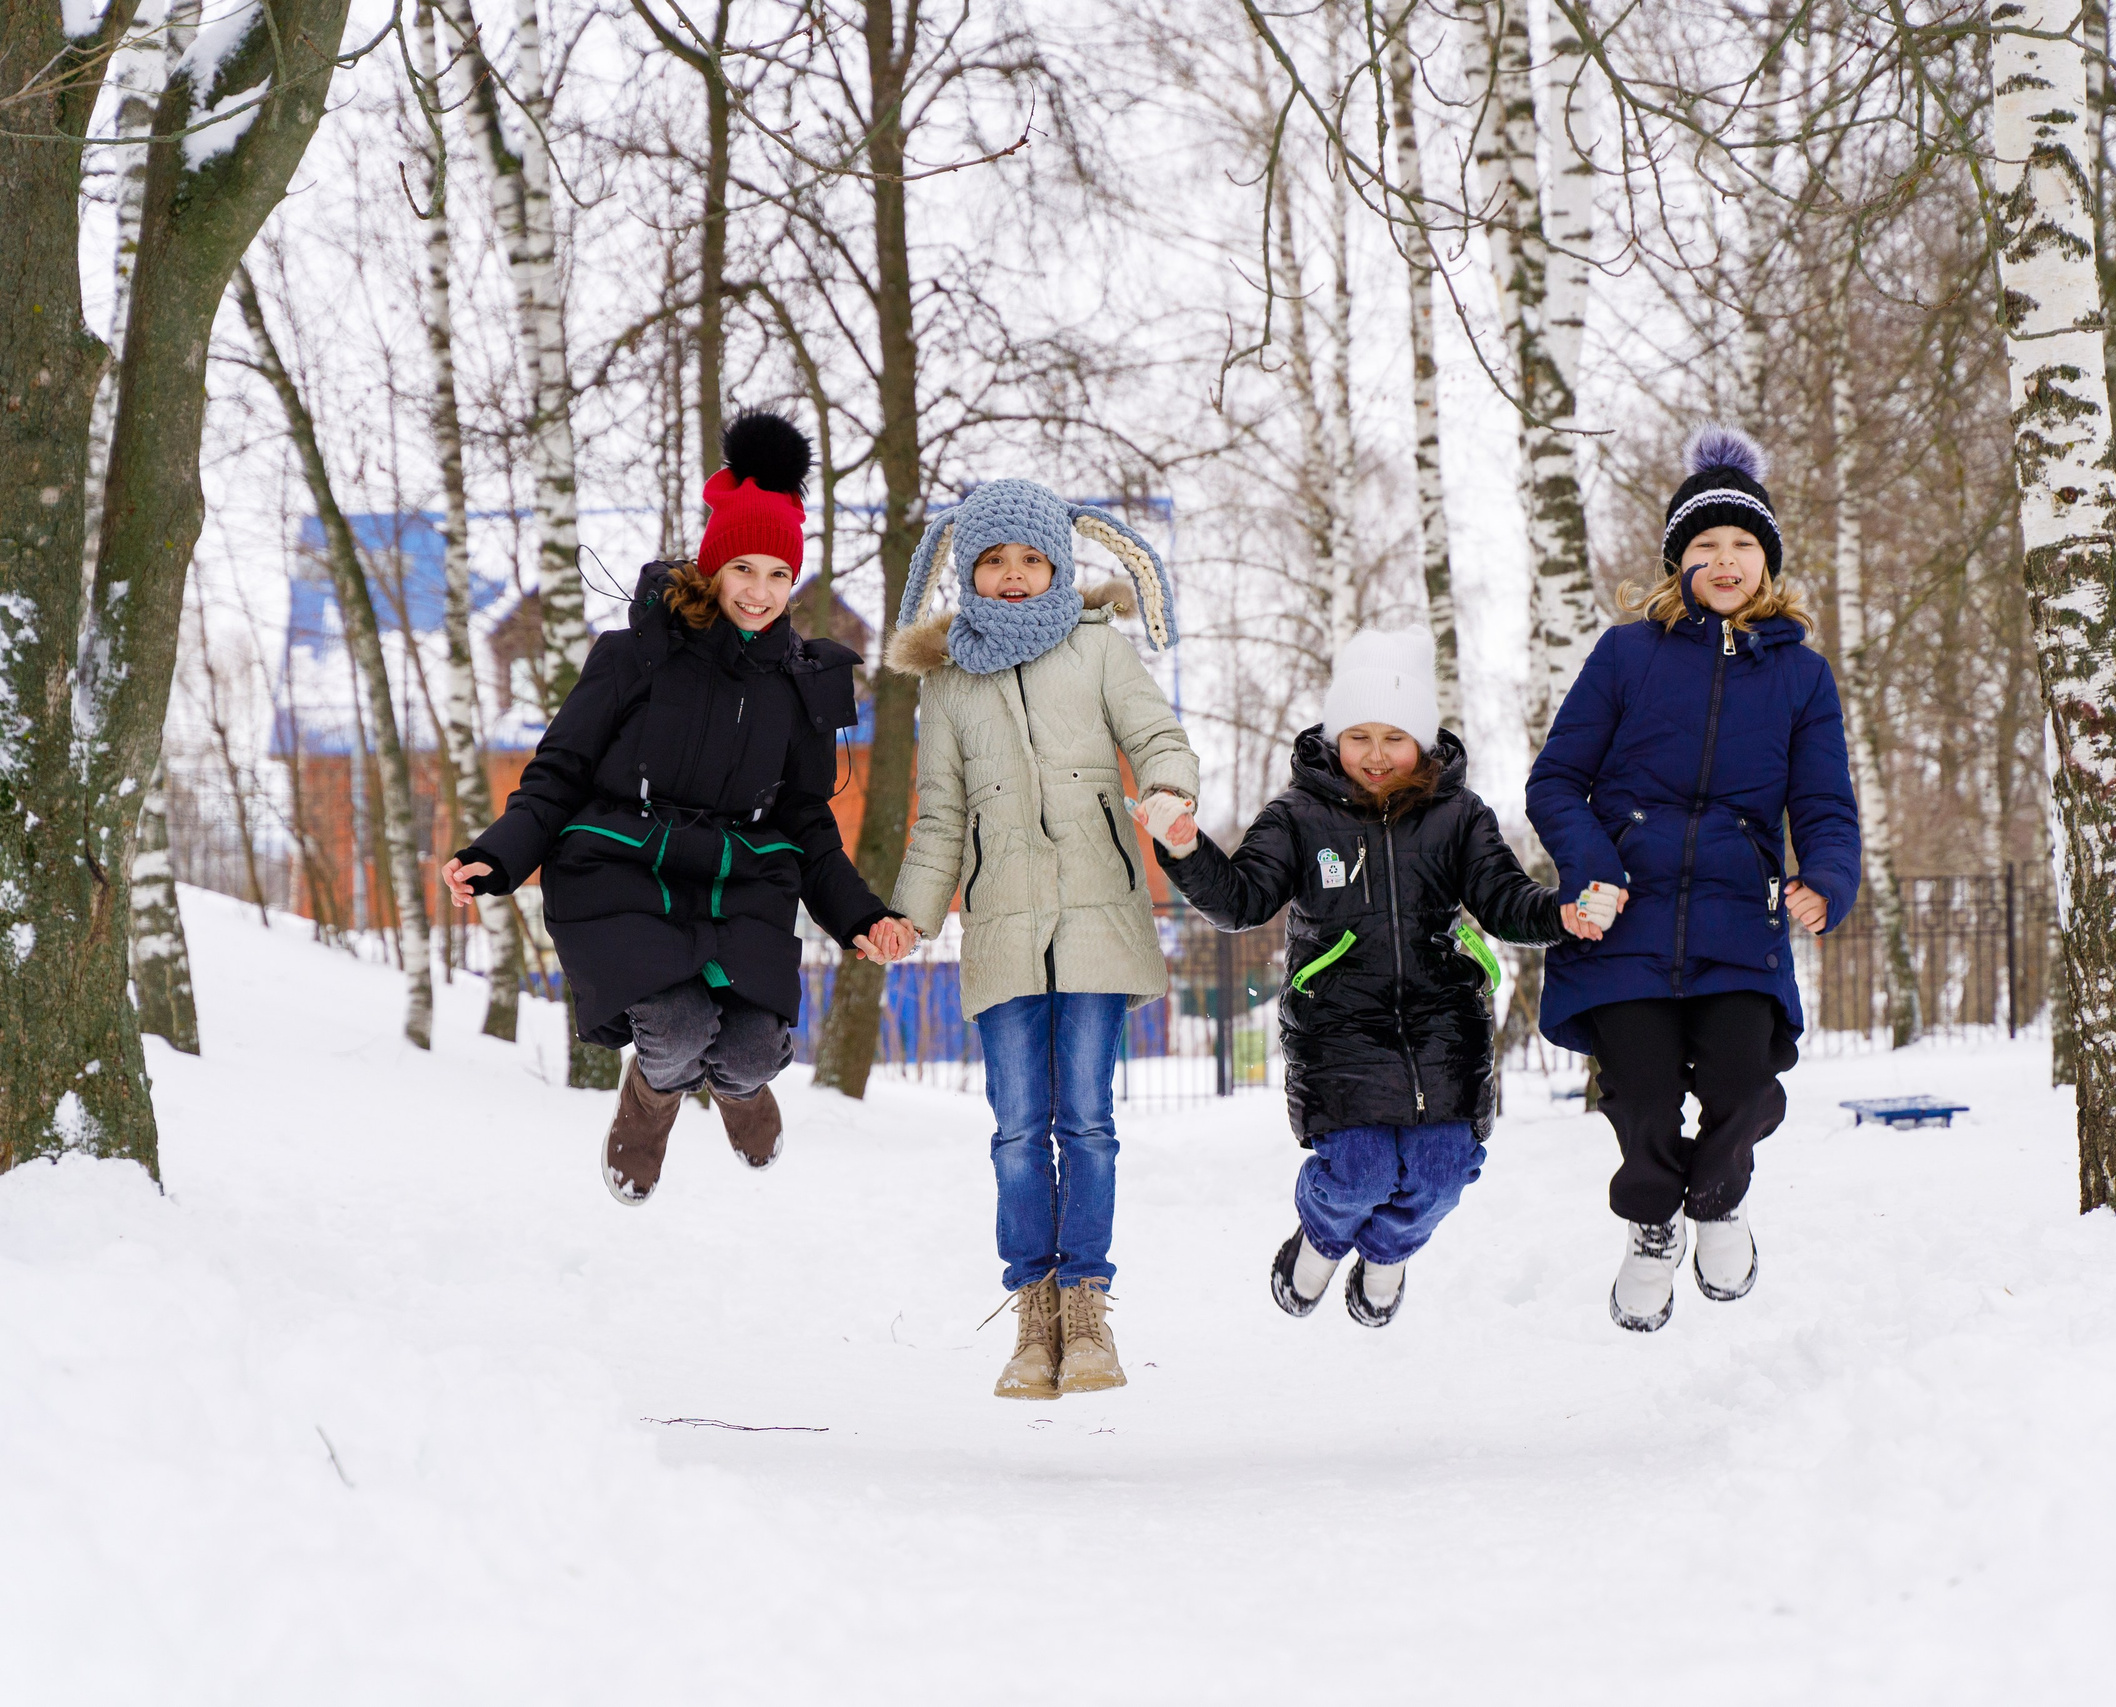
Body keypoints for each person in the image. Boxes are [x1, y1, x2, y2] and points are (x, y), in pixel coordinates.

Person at [441, 414, 909, 1205]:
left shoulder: (801, 684)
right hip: (624, 867)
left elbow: (807, 821)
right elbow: (559, 771)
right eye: (744, 569)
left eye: (777, 575)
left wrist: (860, 915)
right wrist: (499, 854)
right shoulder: (633, 657)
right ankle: (650, 1103)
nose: (759, 592)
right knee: (678, 1027)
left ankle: (738, 1090)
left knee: (759, 1047)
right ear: (714, 565)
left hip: (738, 882)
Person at [1152, 630, 1601, 1327]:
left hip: (1443, 1023)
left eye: (1394, 737)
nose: (1375, 754)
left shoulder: (1460, 816)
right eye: (1358, 735)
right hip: (1339, 1024)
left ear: (1422, 740)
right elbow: (1242, 900)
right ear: (1335, 738)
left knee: (1443, 1169)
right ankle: (1322, 1240)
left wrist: (1562, 912)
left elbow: (1506, 901)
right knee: (1359, 1169)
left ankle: (1388, 1254)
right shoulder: (1299, 815)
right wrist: (1185, 847)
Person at [1525, 425, 1862, 1332]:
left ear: (1767, 562)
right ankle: (1650, 1227)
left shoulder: (1803, 676)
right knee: (1635, 1095)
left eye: (1742, 545)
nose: (1724, 561)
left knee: (1746, 1089)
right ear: (1679, 561)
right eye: (1705, 546)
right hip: (1623, 923)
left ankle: (1717, 1202)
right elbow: (1556, 780)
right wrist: (1594, 866)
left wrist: (1825, 876)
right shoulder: (1626, 654)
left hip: (1735, 922)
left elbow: (1826, 803)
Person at [878, 481, 1196, 1400]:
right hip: (1004, 928)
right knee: (1019, 1128)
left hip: (1096, 911)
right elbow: (940, 816)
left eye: (1030, 559)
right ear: (968, 573)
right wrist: (910, 912)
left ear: (1057, 565)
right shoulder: (948, 681)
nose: (1013, 575)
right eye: (993, 561)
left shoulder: (1099, 650)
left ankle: (1088, 1304)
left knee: (1085, 1121)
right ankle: (1034, 1310)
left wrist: (1171, 793)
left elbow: (1160, 738)